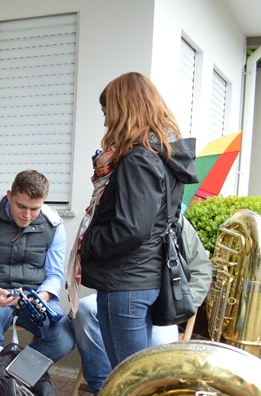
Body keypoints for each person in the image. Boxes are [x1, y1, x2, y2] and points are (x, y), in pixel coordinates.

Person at [75, 72, 198, 369]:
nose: (106, 121)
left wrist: (87, 243)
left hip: (126, 283)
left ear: (123, 109)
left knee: (128, 377)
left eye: (107, 112)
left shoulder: (138, 158)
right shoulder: (164, 155)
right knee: (138, 375)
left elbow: (131, 229)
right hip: (147, 277)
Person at [73, 216, 212, 396]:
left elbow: (201, 270)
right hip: (120, 297)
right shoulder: (123, 214)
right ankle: (102, 393)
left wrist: (179, 304)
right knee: (84, 309)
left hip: (161, 309)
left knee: (159, 345)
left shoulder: (177, 221)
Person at [0, 170, 75, 375]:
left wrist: (42, 297)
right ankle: (11, 385)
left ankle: (9, 382)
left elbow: (55, 275)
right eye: (21, 206)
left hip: (35, 295)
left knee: (63, 339)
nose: (27, 215)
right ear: (9, 195)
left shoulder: (54, 225)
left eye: (35, 209)